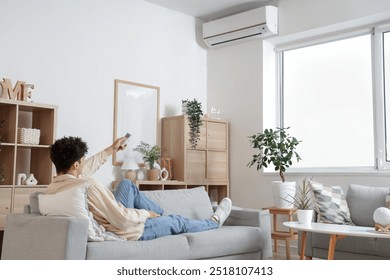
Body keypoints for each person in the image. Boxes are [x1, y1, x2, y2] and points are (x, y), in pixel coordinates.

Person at [46, 136, 232, 241]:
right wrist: (146, 214)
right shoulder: (89, 186)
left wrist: (111, 149)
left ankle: (161, 217)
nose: (85, 162)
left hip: (109, 218)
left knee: (127, 184)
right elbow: (123, 219)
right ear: (76, 164)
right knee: (178, 221)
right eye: (82, 160)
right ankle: (214, 222)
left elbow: (87, 167)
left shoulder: (55, 186)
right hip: (125, 230)